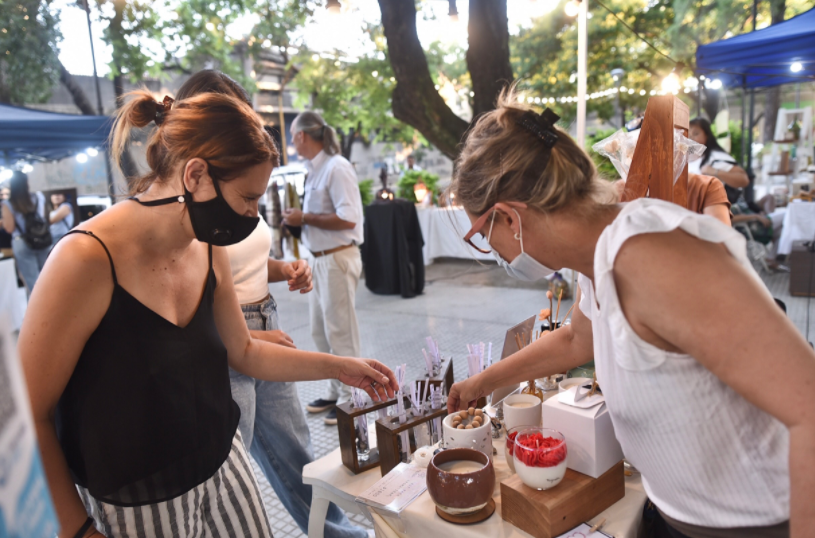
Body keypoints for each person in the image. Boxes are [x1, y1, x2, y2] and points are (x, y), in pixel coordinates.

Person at [21, 89, 397, 538]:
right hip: (140, 498)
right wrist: (77, 529)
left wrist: (341, 366)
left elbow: (243, 351)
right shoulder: (85, 259)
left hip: (224, 465)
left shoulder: (209, 245)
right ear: (195, 175)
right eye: (247, 198)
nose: (253, 216)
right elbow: (25, 413)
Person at [447, 89, 814, 536]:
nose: (496, 253)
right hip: (675, 513)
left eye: (484, 236)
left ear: (509, 217)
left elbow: (807, 407)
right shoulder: (596, 255)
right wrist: (481, 383)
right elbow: (574, 340)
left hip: (758, 522)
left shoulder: (652, 255)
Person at [175, 69, 371, 538]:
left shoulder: (229, 191)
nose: (250, 210)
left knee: (292, 450)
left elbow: (237, 263)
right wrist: (252, 335)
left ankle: (337, 533)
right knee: (229, 470)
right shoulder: (188, 211)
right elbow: (181, 299)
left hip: (257, 323)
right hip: (229, 335)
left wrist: (281, 270)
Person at [283, 111, 365, 426]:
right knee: (320, 331)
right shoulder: (314, 170)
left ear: (303, 136)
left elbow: (349, 218)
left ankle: (351, 398)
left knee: (341, 332)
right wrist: (298, 220)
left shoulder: (337, 167)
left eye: (293, 136)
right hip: (319, 259)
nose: (292, 142)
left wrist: (304, 217)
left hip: (337, 257)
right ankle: (335, 390)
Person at [2, 171, 52, 295]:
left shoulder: (8, 203)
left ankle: (37, 312)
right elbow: (45, 218)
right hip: (42, 239)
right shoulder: (38, 197)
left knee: (32, 282)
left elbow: (9, 228)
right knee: (48, 278)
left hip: (22, 242)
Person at [688, 117, 750, 192]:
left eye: (696, 134)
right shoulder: (686, 157)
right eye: (688, 135)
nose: (691, 138)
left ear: (707, 135)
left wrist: (715, 171)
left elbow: (744, 179)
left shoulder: (715, 157)